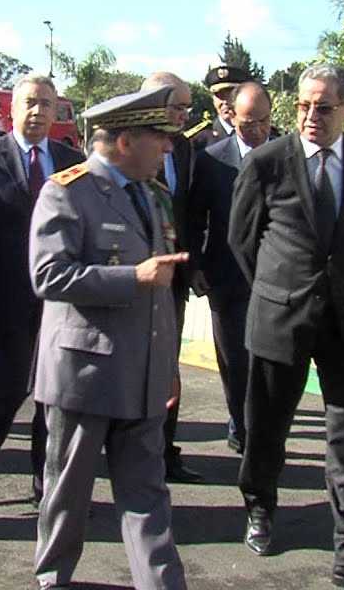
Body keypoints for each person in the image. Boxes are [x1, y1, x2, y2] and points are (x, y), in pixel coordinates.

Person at [229, 63, 344, 590]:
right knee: (267, 428)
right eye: (303, 106)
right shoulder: (267, 163)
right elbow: (243, 242)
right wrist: (282, 287)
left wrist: (335, 281)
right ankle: (260, 505)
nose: (310, 116)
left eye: (323, 108)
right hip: (281, 315)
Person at [30, 86, 188, 590]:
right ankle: (53, 579)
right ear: (125, 140)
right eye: (158, 138)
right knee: (68, 495)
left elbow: (162, 291)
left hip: (142, 376)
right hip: (86, 375)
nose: (167, 148)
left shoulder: (155, 194)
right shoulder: (66, 190)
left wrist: (167, 364)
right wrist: (131, 278)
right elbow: (48, 276)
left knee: (148, 496)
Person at [0, 75, 84, 506]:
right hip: (6, 300)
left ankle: (42, 480)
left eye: (47, 104)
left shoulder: (70, 159)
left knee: (53, 392)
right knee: (10, 386)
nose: (38, 112)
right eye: (30, 103)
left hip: (60, 301)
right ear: (12, 109)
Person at [186, 80, 273, 455]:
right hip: (225, 276)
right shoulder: (211, 159)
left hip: (276, 279)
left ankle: (266, 425)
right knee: (234, 360)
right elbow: (194, 217)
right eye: (247, 123)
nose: (256, 130)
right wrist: (195, 265)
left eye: (263, 122)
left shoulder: (288, 155)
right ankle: (241, 423)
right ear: (231, 117)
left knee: (271, 360)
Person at [140, 71, 202, 484]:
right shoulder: (123, 144)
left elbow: (191, 213)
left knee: (167, 368)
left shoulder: (185, 149)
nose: (183, 115)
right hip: (131, 278)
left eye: (185, 108)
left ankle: (164, 450)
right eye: (176, 107)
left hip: (172, 282)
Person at [186, 64, 250, 152]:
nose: (225, 102)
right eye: (220, 96)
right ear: (213, 100)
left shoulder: (261, 133)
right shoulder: (199, 140)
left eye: (231, 95)